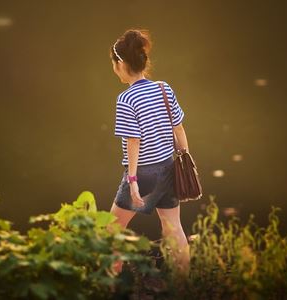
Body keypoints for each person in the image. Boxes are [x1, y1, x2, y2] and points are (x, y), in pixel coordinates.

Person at [109, 28, 191, 277]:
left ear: (121, 63)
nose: (113, 69)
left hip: (143, 173)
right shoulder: (164, 89)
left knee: (111, 229)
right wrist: (185, 159)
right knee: (173, 226)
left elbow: (133, 140)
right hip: (168, 167)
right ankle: (186, 283)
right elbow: (178, 127)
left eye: (113, 63)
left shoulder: (126, 98)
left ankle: (110, 283)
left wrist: (132, 180)